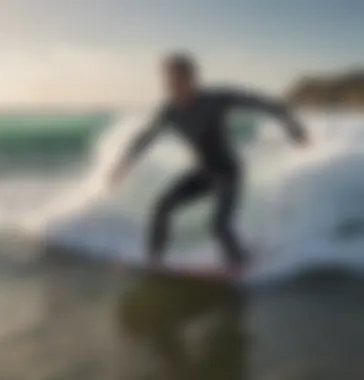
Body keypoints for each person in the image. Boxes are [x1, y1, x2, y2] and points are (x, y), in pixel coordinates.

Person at [110, 52, 309, 272]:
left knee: (219, 227)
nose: (172, 85)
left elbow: (261, 103)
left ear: (192, 79)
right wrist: (124, 163)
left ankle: (239, 264)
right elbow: (145, 137)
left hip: (227, 173)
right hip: (203, 172)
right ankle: (154, 261)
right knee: (162, 207)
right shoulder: (169, 111)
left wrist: (293, 127)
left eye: (178, 79)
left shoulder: (215, 100)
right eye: (168, 80)